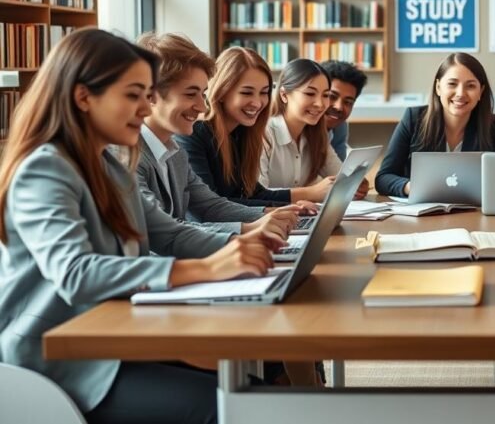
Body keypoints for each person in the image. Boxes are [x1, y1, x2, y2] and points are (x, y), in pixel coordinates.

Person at [0, 29, 284, 424]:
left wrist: (248, 251)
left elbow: (169, 234)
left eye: (148, 96)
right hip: (56, 363)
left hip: (110, 337)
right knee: (226, 406)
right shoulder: (45, 169)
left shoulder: (111, 166)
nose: (145, 108)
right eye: (134, 95)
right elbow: (75, 273)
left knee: (254, 385)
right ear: (84, 97)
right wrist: (205, 268)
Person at [135, 32, 299, 237]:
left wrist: (268, 216)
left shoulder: (174, 153)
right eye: (190, 94)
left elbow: (211, 205)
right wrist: (247, 230)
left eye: (203, 94)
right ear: (150, 95)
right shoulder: (128, 158)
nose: (203, 107)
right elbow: (162, 233)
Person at [176, 48, 321, 209]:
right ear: (222, 92)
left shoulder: (241, 132)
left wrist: (293, 207)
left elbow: (253, 193)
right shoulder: (194, 133)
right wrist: (278, 210)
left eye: (264, 93)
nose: (257, 103)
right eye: (247, 93)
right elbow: (210, 206)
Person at [375, 52, 495, 197]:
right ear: (438, 87)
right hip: (422, 213)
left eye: (470, 86)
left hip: (473, 213)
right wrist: (411, 187)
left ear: (481, 91)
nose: (460, 93)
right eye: (452, 84)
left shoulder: (493, 127)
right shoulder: (413, 119)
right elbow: (383, 178)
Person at [260, 59, 344, 196]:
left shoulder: (316, 134)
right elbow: (255, 195)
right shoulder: (264, 134)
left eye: (326, 95)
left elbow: (340, 177)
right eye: (310, 93)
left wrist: (354, 184)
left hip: (299, 215)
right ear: (284, 95)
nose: (320, 104)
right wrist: (310, 193)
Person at [320, 60, 368, 162]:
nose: (339, 107)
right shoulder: (298, 127)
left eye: (348, 102)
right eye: (332, 96)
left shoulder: (340, 127)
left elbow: (337, 170)